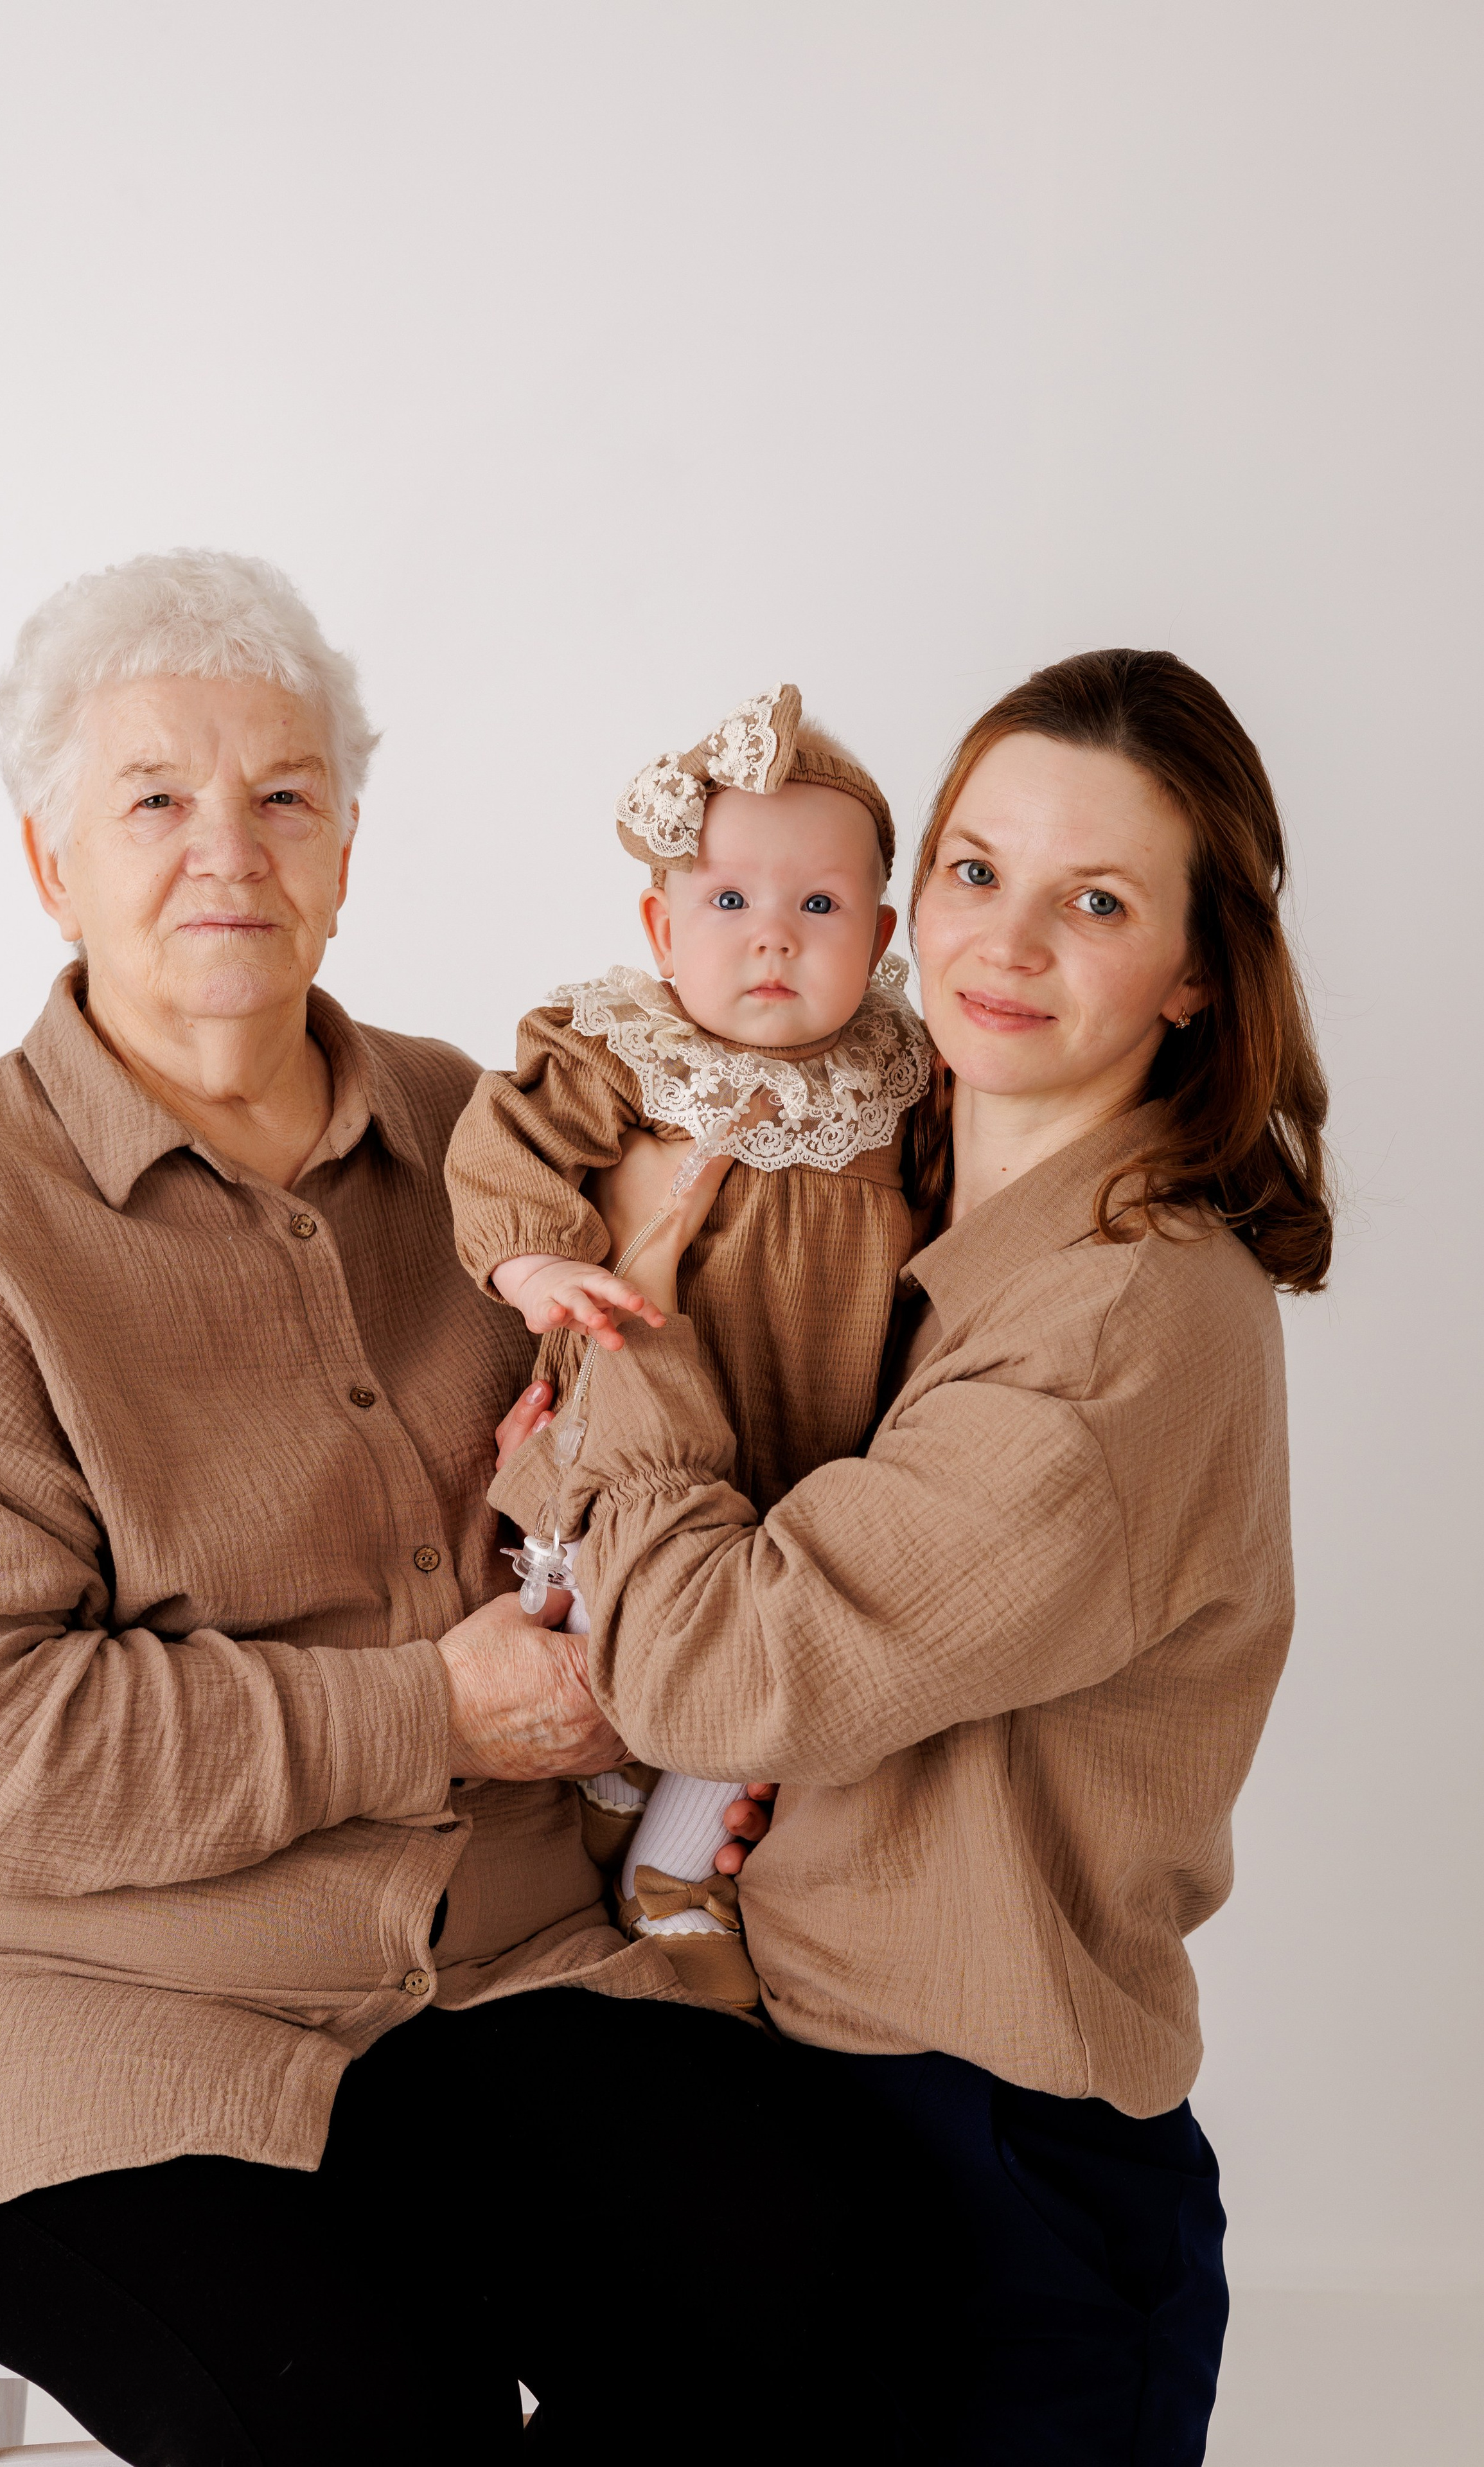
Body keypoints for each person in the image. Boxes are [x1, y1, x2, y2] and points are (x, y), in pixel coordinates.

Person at [0, 551, 870, 2465]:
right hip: (58, 2009)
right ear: (49, 864)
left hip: (477, 1966)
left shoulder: (495, 1146)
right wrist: (439, 1713)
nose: (229, 850)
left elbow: (657, 1483)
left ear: (345, 852)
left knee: (822, 2292)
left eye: (284, 796)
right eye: (155, 799)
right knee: (371, 2418)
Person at [488, 648, 1332, 2461]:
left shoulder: (1127, 1320)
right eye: (975, 871)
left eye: (1092, 900)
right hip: (794, 2107)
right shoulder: (899, 1211)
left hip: (997, 2167)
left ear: (1195, 973)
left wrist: (619, 1345)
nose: (1004, 944)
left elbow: (720, 1667)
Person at [444, 685, 930, 2001]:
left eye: (817, 910)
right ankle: (574, 1817)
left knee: (757, 1667)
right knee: (588, 1620)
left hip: (807, 1457)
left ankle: (676, 1874)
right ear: (660, 929)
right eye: (727, 905)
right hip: (636, 1427)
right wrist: (538, 1258)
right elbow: (507, 1140)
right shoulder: (627, 1049)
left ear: (881, 936)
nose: (770, 941)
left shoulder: (901, 1083)